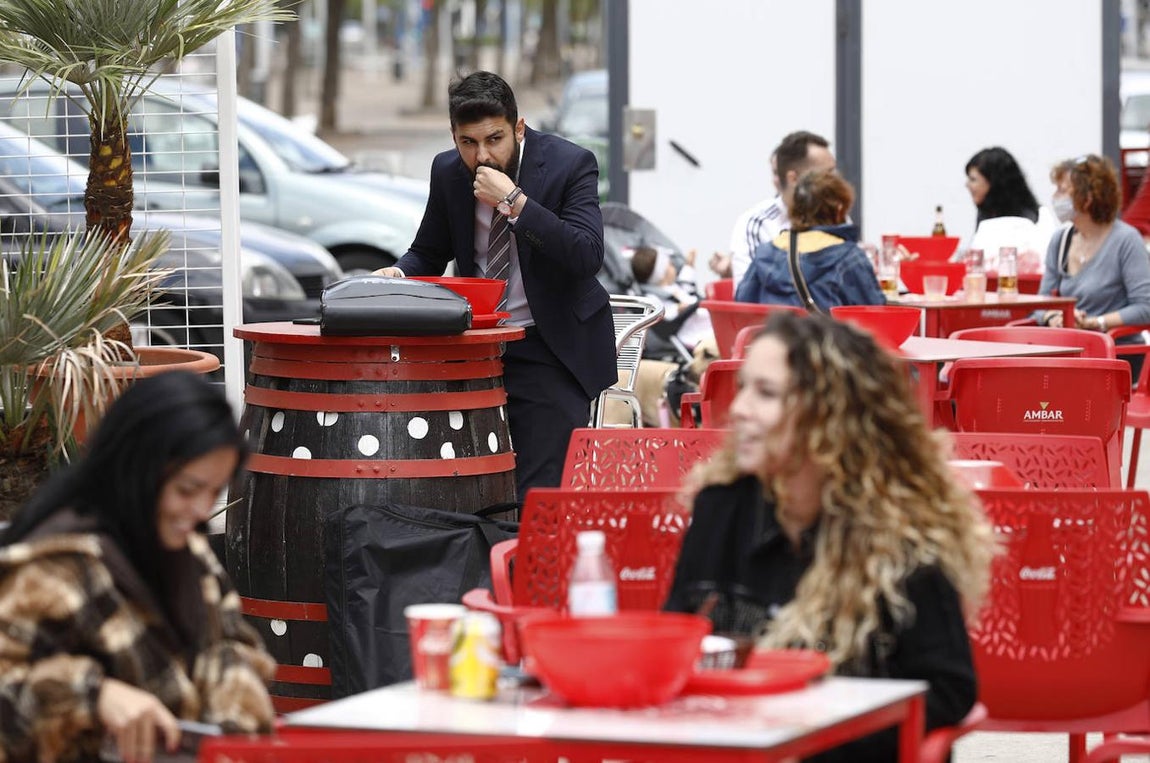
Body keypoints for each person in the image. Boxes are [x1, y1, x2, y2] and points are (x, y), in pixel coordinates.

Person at [665, 311, 996, 762]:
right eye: (743, 388)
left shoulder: (899, 528)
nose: (739, 408)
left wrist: (811, 739)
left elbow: (948, 689)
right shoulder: (721, 505)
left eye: (765, 393)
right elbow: (678, 643)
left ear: (828, 414)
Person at [0, 372, 275, 763]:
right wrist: (94, 696)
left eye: (213, 492)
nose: (201, 511)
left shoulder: (189, 552)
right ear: (138, 467)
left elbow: (230, 645)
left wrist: (232, 710)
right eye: (186, 490)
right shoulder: (54, 570)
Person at [374, 71, 615, 501]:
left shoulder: (569, 164)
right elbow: (428, 252)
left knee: (537, 492)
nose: (481, 155)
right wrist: (397, 274)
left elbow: (586, 255)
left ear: (518, 129)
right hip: (476, 344)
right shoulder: (448, 172)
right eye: (468, 142)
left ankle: (532, 563)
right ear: (453, 137)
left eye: (494, 139)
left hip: (549, 346)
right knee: (462, 482)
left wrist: (515, 202)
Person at [1035, 155, 1150, 370]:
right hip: (1068, 352)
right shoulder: (1060, 240)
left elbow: (1145, 307)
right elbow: (1039, 304)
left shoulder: (1126, 240)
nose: (1054, 198)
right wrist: (1055, 317)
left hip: (1116, 354)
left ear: (1087, 198)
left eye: (1062, 190)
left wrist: (1096, 323)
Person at [734, 169, 885, 309]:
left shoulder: (766, 252)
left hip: (771, 335)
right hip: (825, 338)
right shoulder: (848, 256)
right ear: (839, 208)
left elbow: (742, 302)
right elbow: (874, 311)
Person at [728, 131, 837, 288]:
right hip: (781, 312)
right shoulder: (757, 224)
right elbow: (747, 297)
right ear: (793, 179)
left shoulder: (837, 216)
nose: (836, 182)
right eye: (827, 174)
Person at [962, 146, 1054, 273]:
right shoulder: (985, 217)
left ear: (992, 182)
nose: (967, 185)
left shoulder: (1033, 219)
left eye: (973, 179)